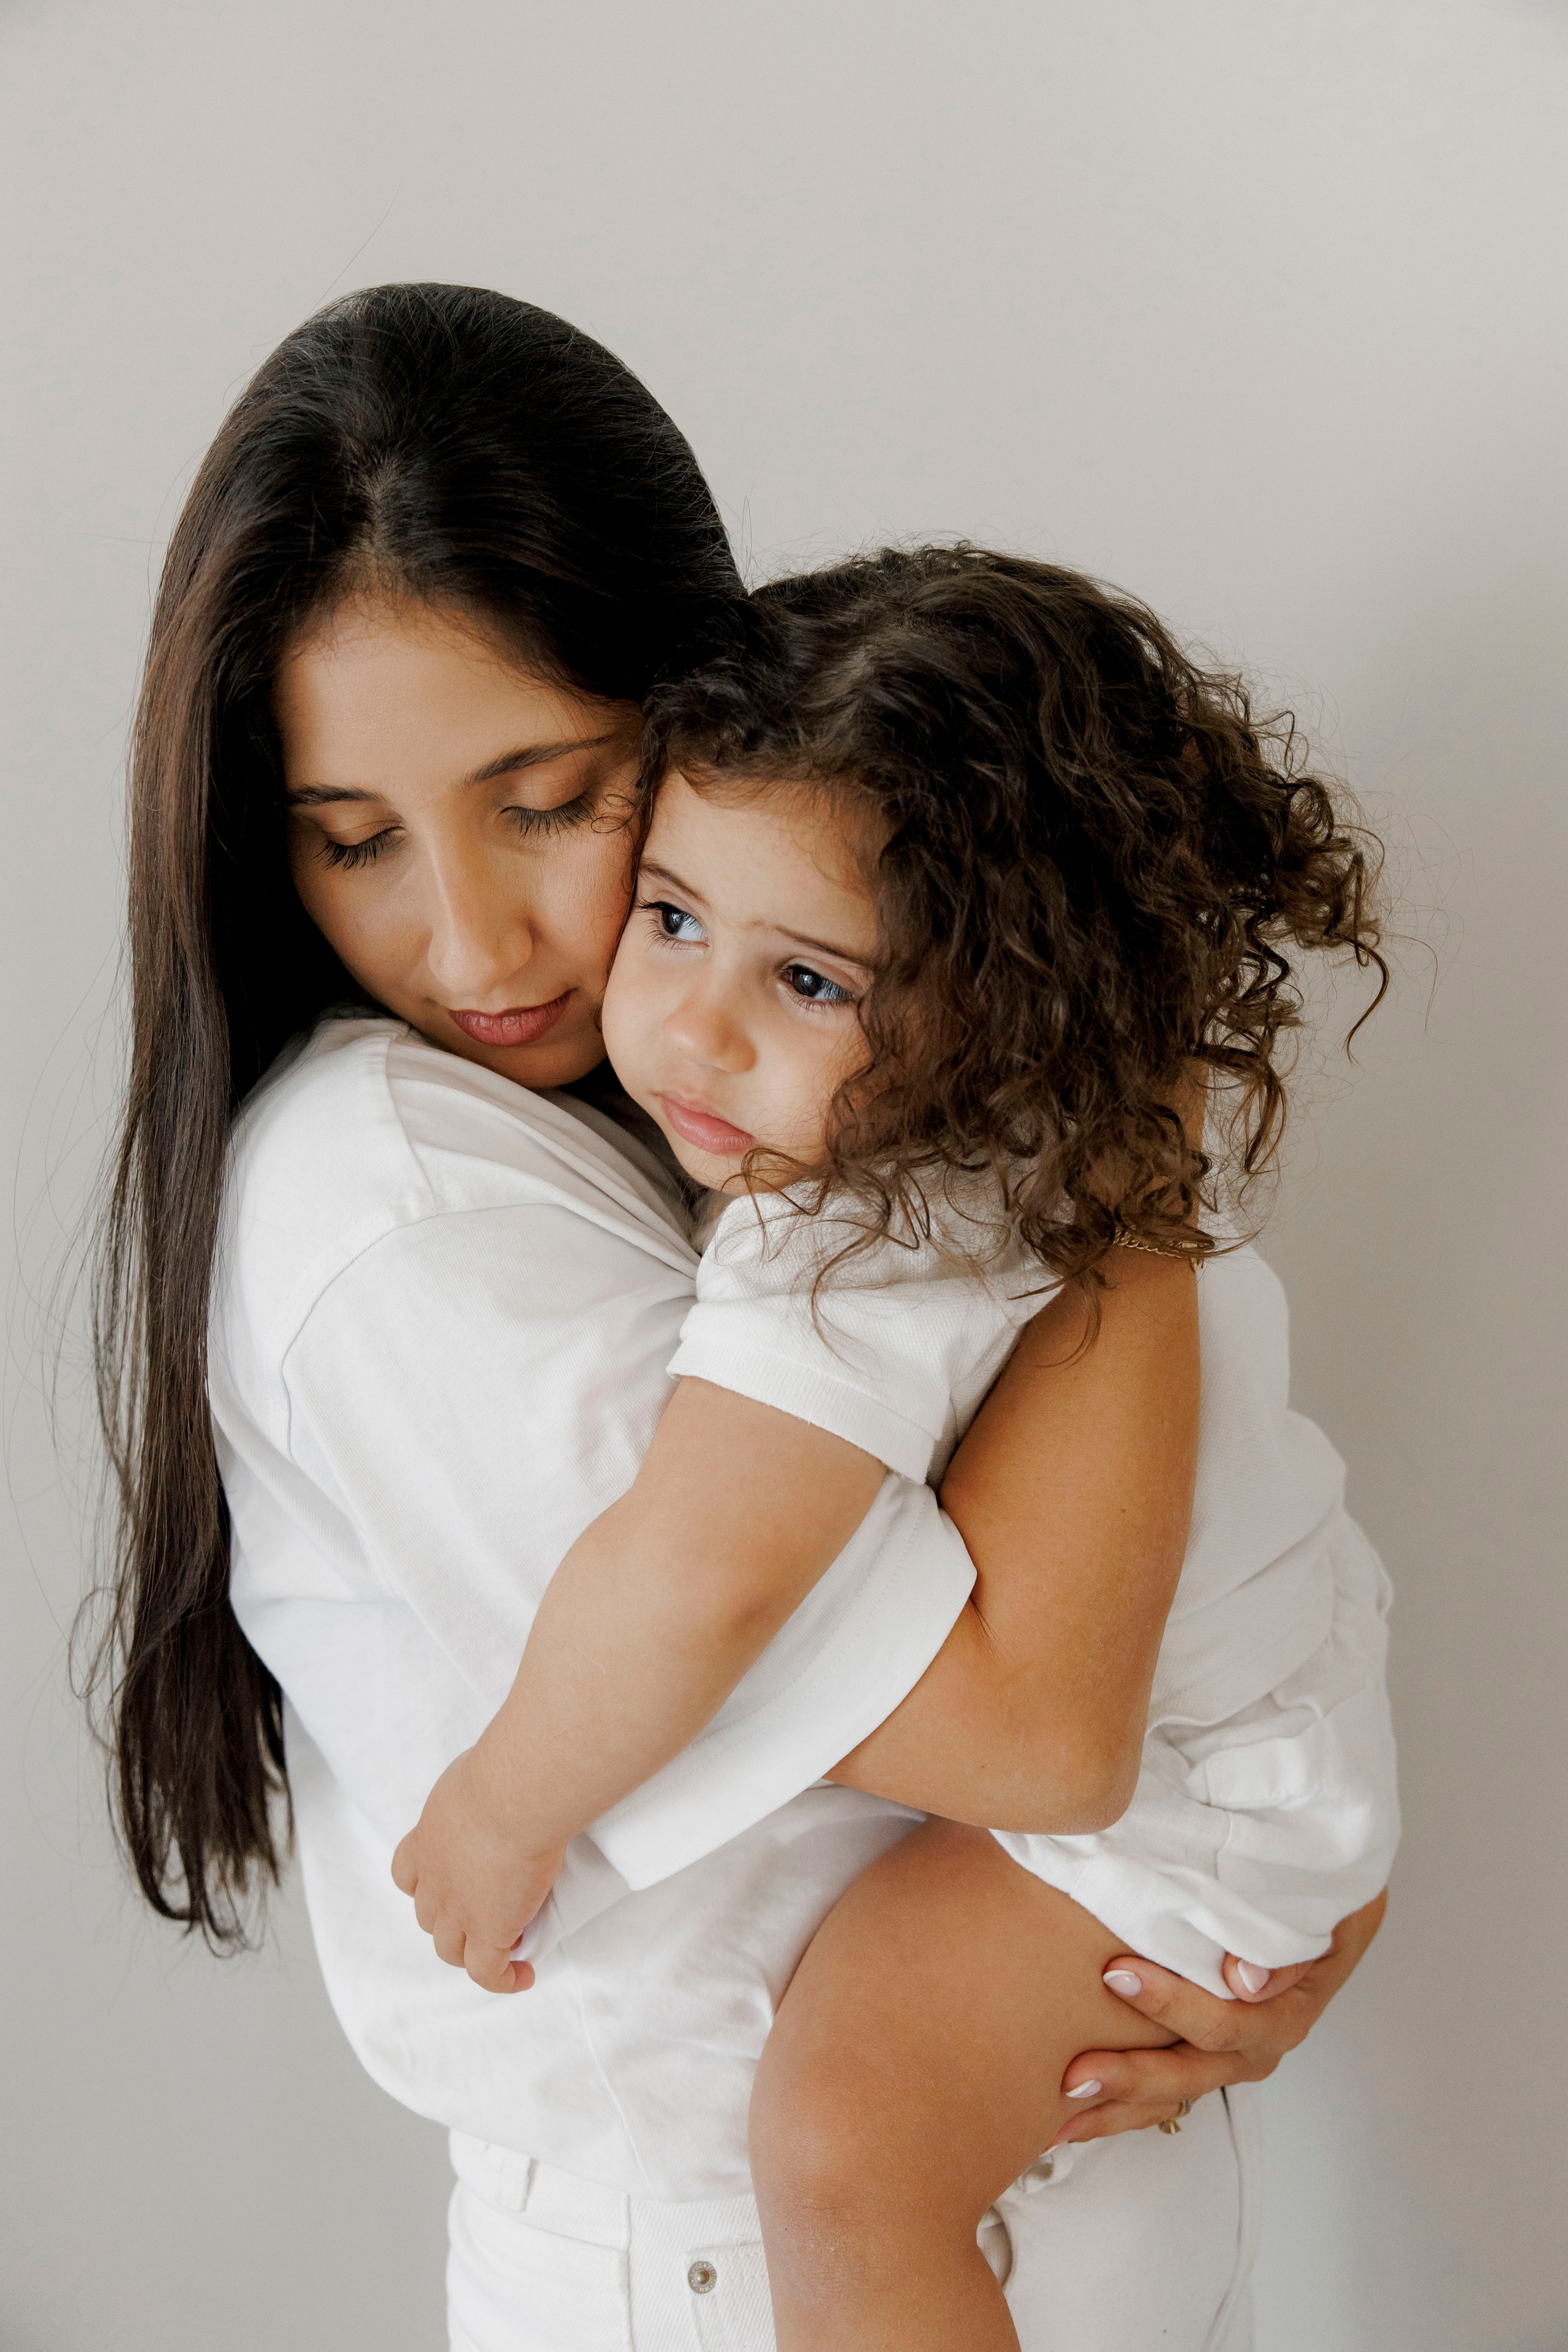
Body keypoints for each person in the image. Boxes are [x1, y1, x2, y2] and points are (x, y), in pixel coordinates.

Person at [92, 281, 1386, 2352]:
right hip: (733, 2253)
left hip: (1051, 2149)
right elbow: (1042, 1730)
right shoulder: (407, 1199)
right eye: (351, 843)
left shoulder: (819, 1127)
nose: (472, 940)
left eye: (551, 800)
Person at [390, 549, 1399, 2348]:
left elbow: (699, 1570)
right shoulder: (1017, 1145)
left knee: (845, 2147)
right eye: (677, 917)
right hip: (1264, 1746)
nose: (694, 1025)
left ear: (998, 1005)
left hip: (1183, 1810)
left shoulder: (859, 1227)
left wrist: (502, 1803)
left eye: (812, 982)